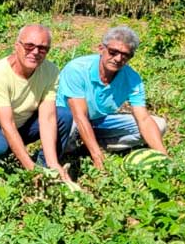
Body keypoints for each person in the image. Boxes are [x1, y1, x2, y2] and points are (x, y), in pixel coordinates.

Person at [0, 24, 73, 183]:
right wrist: (29, 168)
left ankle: (46, 170)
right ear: (17, 46)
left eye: (42, 49)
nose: (35, 52)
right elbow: (6, 125)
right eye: (29, 46)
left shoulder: (51, 72)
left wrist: (53, 162)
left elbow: (48, 118)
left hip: (20, 125)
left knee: (63, 115)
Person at [57, 26, 168, 170]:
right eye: (113, 52)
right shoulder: (77, 69)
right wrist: (97, 157)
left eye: (124, 55)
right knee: (70, 125)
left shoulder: (132, 78)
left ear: (130, 57)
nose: (117, 59)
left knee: (159, 125)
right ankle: (72, 149)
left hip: (98, 120)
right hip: (69, 119)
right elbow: (80, 116)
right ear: (101, 49)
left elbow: (144, 119)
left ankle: (89, 147)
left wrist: (164, 157)